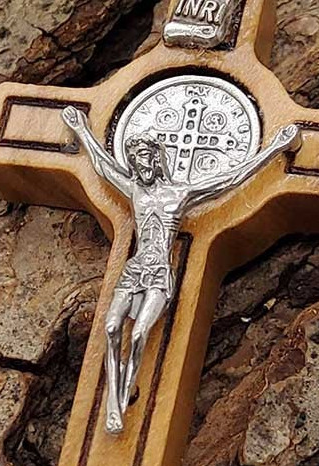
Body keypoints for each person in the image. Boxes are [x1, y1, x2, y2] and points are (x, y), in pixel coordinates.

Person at [61, 106, 301, 432]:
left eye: (145, 159)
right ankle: (114, 403)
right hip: (134, 270)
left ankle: (121, 398)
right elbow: (103, 166)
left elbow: (232, 178)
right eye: (135, 162)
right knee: (112, 327)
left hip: (160, 273)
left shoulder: (180, 194)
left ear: (156, 159)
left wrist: (274, 148)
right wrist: (81, 129)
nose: (140, 166)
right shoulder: (135, 191)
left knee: (140, 333)